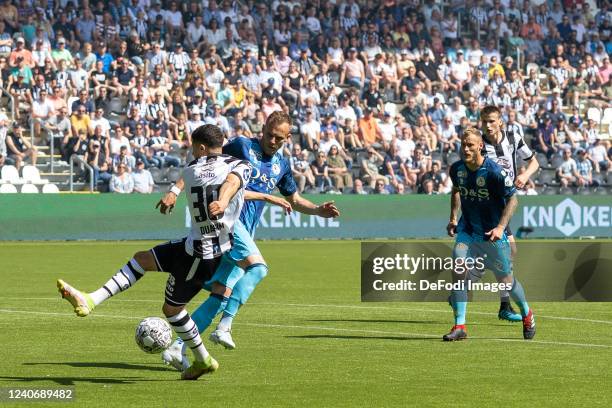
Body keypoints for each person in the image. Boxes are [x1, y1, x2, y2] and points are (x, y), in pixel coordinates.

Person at [56, 124, 252, 380]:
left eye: (194, 148)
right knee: (142, 259)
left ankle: (203, 359)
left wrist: (194, 194)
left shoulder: (192, 171)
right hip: (197, 247)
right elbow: (232, 179)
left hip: (201, 253)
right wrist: (219, 198)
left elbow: (226, 183)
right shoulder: (240, 165)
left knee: (172, 310)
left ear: (201, 148)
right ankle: (91, 299)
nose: (192, 152)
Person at [160, 111, 340, 368]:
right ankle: (225, 325)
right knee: (258, 268)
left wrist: (318, 210)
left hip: (245, 230)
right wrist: (175, 190)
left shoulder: (282, 165)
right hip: (230, 222)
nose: (273, 140)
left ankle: (177, 348)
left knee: (220, 293)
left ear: (288, 137)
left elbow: (295, 200)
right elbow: (202, 162)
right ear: (263, 128)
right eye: (269, 134)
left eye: (279, 137)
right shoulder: (241, 146)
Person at [445, 127, 535, 341]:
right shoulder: (456, 169)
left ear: (480, 146)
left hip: (492, 233)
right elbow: (456, 191)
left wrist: (501, 227)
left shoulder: (493, 171)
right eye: (463, 144)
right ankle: (460, 326)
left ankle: (527, 313)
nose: (465, 148)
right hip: (467, 230)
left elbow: (513, 199)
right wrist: (453, 218)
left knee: (506, 281)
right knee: (458, 266)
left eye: (470, 145)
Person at [468, 105, 540, 322]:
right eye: (484, 122)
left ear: (500, 121)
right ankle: (503, 305)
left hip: (505, 201)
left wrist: (525, 175)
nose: (487, 126)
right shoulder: (480, 144)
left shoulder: (514, 137)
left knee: (505, 253)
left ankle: (466, 287)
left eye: (491, 121)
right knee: (505, 254)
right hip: (490, 204)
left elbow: (534, 161)